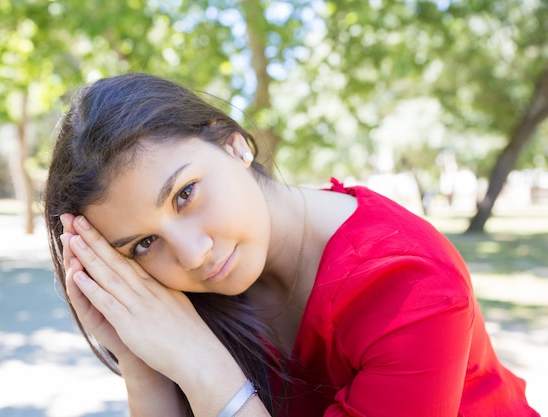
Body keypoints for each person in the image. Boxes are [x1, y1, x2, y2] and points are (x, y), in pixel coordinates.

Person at [43, 73, 539, 417]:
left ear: (233, 144)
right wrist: (139, 360)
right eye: (144, 243)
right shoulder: (181, 301)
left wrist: (204, 367)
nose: (192, 255)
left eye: (185, 195)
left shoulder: (409, 282)